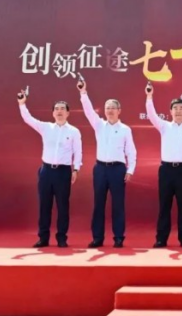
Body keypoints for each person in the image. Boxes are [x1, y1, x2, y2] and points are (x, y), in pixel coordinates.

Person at [18, 89, 82, 248]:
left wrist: (76, 169)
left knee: (63, 206)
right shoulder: (45, 127)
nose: (59, 111)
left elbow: (78, 151)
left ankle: (62, 238)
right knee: (44, 205)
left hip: (63, 172)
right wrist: (22, 104)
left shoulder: (74, 131)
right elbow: (28, 119)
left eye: (62, 109)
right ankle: (43, 238)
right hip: (46, 171)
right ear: (53, 113)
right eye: (57, 109)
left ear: (68, 113)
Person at [77, 78, 137, 248]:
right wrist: (83, 92)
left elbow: (131, 151)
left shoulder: (125, 129)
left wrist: (130, 170)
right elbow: (88, 111)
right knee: (98, 204)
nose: (110, 110)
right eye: (107, 108)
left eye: (113, 108)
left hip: (118, 169)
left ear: (119, 111)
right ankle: (97, 238)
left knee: (118, 204)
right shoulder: (99, 125)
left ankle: (118, 237)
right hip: (100, 169)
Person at [145, 82, 182, 248]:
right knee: (164, 206)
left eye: (181, 108)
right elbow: (151, 115)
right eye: (175, 108)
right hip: (166, 170)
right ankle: (161, 239)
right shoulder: (164, 126)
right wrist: (149, 96)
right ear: (170, 112)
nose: (178, 111)